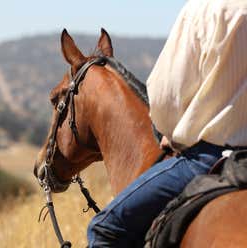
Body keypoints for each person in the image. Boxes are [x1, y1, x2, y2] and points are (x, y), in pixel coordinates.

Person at [87, 0, 247, 247]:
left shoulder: (205, 9)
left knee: (105, 229)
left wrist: (170, 132)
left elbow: (164, 96)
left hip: (212, 157)